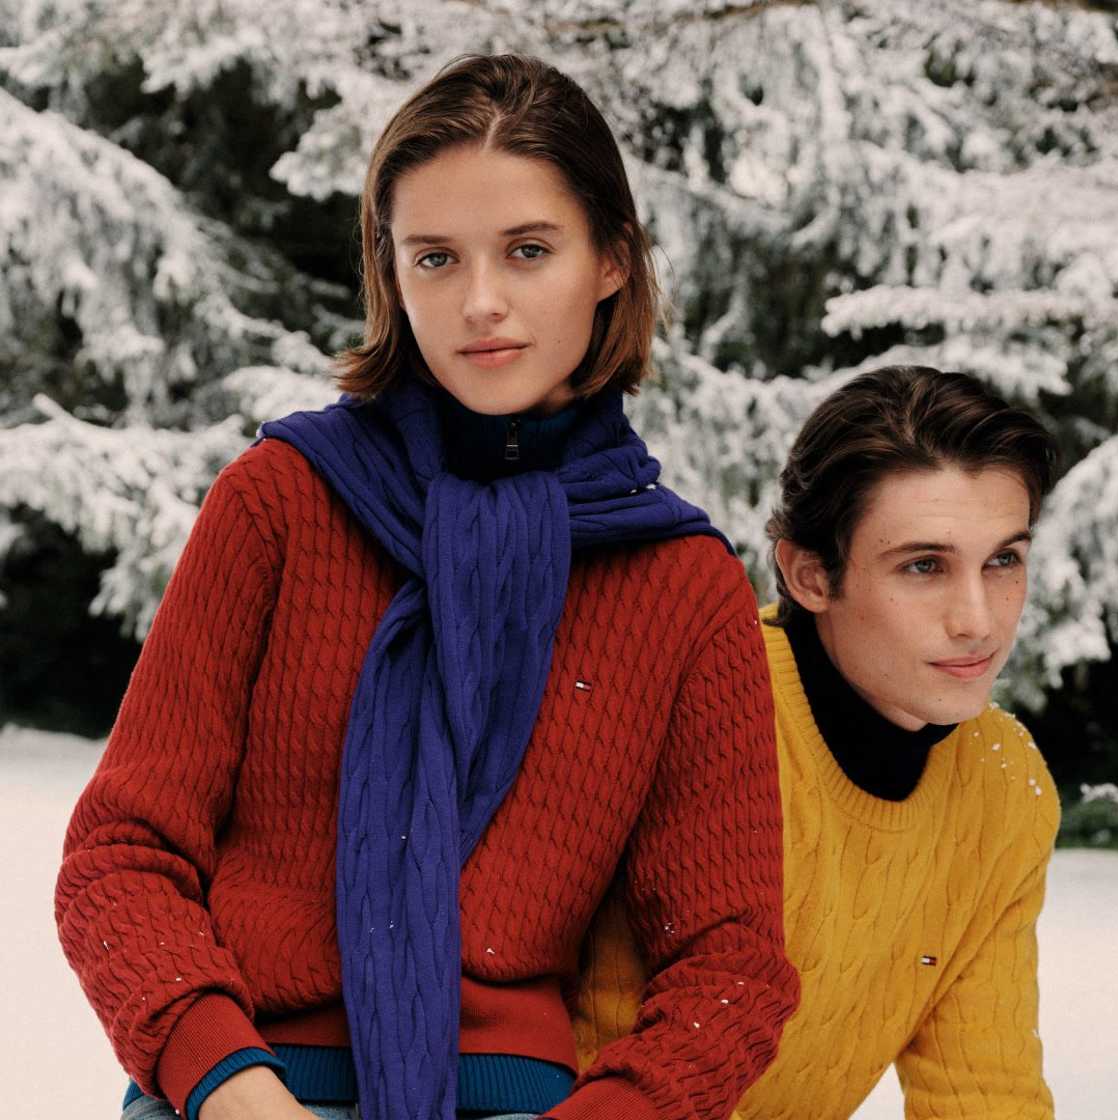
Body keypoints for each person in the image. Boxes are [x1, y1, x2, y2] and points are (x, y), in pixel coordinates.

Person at [56, 54, 798, 1120]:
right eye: (436, 258)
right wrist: (232, 1086)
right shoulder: (281, 503)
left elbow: (732, 963)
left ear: (611, 261)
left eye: (528, 250)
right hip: (238, 1087)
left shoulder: (681, 584)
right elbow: (122, 854)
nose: (480, 303)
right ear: (390, 273)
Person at [573, 364, 1061, 1119]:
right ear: (809, 575)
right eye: (924, 566)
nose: (979, 620)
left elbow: (988, 1095)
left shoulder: (1003, 782)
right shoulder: (694, 709)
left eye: (1003, 560)